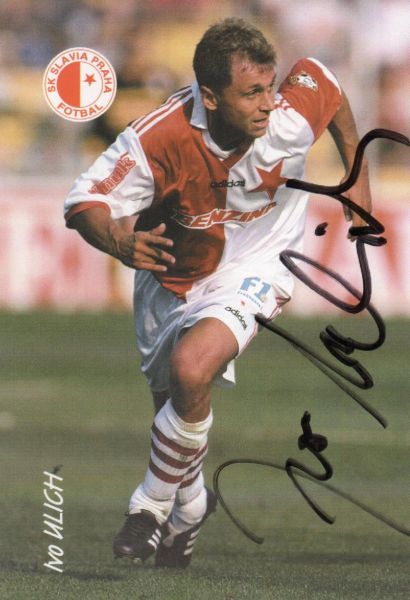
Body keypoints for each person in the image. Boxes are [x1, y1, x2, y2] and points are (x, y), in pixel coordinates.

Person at [64, 18, 371, 568]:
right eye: (251, 92)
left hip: (261, 266)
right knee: (177, 405)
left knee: (191, 369)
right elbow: (84, 201)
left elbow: (329, 88)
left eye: (270, 87)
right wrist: (118, 241)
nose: (267, 103)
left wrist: (358, 182)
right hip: (169, 278)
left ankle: (148, 507)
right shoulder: (158, 137)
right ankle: (190, 506)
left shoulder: (286, 116)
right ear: (210, 97)